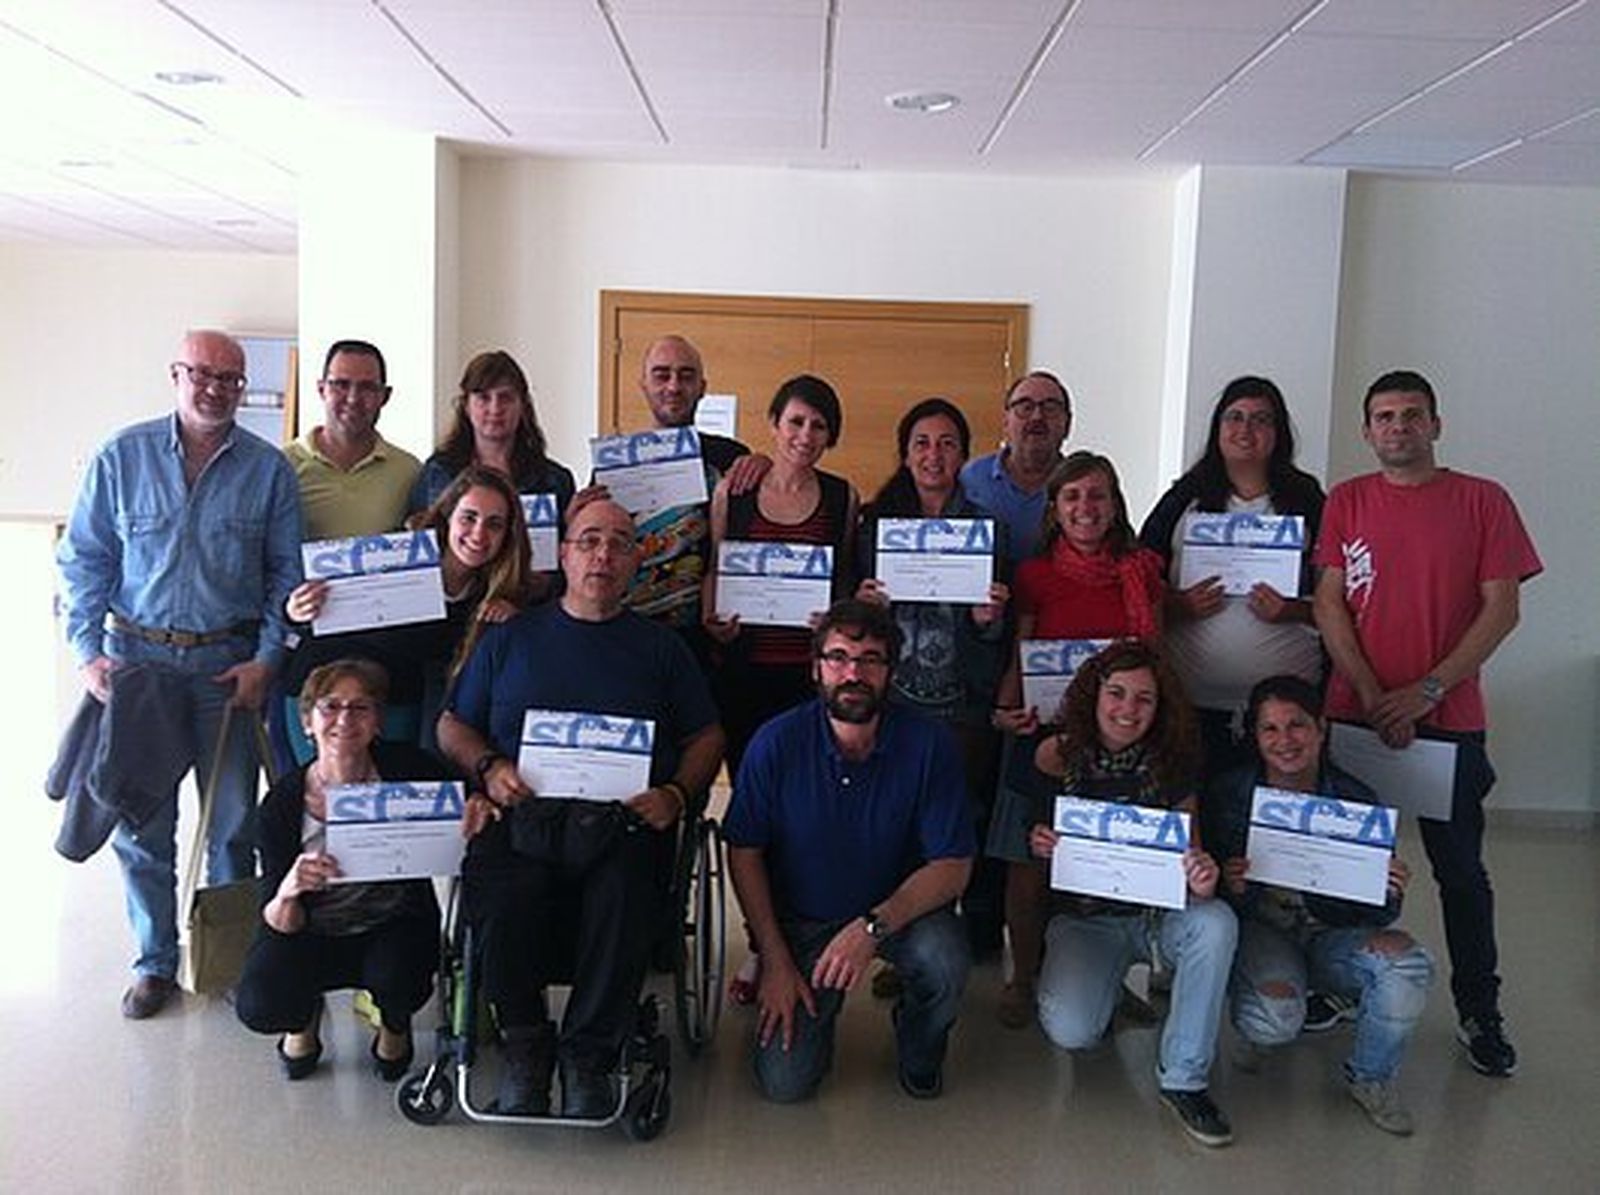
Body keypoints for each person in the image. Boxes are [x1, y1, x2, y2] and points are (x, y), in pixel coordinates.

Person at [438, 498, 725, 1117]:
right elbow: (452, 725)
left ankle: (588, 1054)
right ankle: (525, 1046)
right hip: (524, 816)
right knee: (501, 889)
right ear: (563, 553)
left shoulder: (662, 650)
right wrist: (489, 767)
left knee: (627, 889)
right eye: (590, 541)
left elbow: (707, 738)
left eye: (620, 544)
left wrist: (675, 795)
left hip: (622, 822)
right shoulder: (509, 640)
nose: (603, 554)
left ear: (636, 564)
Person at [56, 329, 302, 1019]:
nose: (216, 388)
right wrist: (85, 652)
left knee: (231, 827)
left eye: (231, 378)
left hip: (228, 674)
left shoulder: (268, 470)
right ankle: (154, 962)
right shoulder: (122, 456)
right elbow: (84, 561)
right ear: (175, 374)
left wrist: (269, 659)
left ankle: (227, 962)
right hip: (140, 672)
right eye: (203, 373)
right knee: (143, 825)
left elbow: (286, 572)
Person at [1313, 369, 1541, 1079]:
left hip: (1449, 721)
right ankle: (1348, 984)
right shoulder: (1347, 501)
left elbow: (1501, 608)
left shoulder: (1483, 500)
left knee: (1461, 874)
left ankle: (1481, 1011)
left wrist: (1428, 689)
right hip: (1356, 714)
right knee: (1349, 868)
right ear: (1367, 430)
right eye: (1384, 416)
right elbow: (1329, 604)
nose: (1398, 427)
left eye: (1412, 415)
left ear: (1435, 425)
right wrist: (1376, 691)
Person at [723, 599, 975, 1102]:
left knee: (945, 958)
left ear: (890, 671)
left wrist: (872, 927)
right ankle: (812, 1011)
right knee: (785, 1085)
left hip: (897, 914)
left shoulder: (929, 745)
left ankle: (919, 1037)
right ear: (815, 668)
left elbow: (954, 866)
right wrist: (774, 958)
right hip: (803, 922)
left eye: (870, 659)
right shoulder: (774, 743)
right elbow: (744, 850)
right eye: (837, 657)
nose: (852, 672)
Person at [235, 659, 495, 1081]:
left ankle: (395, 1023)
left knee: (402, 979)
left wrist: (477, 805)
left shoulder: (409, 769)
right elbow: (276, 918)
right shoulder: (282, 804)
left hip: (391, 922)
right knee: (262, 1004)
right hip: (310, 929)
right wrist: (289, 891)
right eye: (330, 706)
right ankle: (303, 1018)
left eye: (360, 708)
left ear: (378, 722)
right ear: (307, 722)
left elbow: (470, 802)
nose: (344, 719)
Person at [1027, 641, 1237, 1147]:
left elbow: (1192, 858)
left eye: (1145, 699)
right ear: (1092, 694)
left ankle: (1184, 1077)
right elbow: (1026, 854)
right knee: (1074, 1031)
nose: (1128, 709)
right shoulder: (1055, 754)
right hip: (1084, 919)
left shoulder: (1175, 759)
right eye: (1117, 693)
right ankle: (1106, 990)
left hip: (1155, 915)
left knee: (1217, 922)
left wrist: (1202, 880)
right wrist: (1039, 845)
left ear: (1161, 706)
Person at [1204, 675, 1434, 1135]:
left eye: (1297, 725)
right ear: (1254, 734)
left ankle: (1371, 1076)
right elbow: (1205, 898)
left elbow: (1377, 917)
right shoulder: (1227, 793)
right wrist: (1229, 883)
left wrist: (1387, 890)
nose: (1284, 740)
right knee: (1273, 1022)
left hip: (1330, 934)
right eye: (1270, 728)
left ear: (1321, 728)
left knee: (1408, 964)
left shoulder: (1356, 801)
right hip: (1261, 932)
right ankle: (1265, 1011)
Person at [988, 450, 1166, 1027]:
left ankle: (1106, 979)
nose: (1085, 508)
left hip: (1121, 742)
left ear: (1115, 505)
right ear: (1055, 509)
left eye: (1097, 495)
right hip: (1046, 736)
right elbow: (1023, 644)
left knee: (1106, 857)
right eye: (1072, 497)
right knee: (1026, 858)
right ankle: (1025, 975)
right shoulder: (1034, 573)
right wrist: (1007, 707)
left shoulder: (1143, 569)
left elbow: (1155, 657)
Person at [855, 397, 1010, 959]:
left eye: (947, 443)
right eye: (922, 442)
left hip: (962, 706)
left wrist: (987, 619)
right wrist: (863, 602)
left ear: (965, 455)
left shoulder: (986, 529)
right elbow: (849, 622)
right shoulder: (874, 525)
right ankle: (902, 943)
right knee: (897, 824)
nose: (933, 454)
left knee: (958, 821)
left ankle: (958, 942)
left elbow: (999, 634)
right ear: (904, 452)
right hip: (891, 703)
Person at [1139, 376, 1325, 778]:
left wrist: (1294, 610)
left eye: (1261, 420)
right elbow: (1137, 581)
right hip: (1190, 703)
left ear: (1279, 433)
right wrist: (1178, 603)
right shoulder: (1182, 498)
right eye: (1235, 417)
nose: (1246, 430)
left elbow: (1341, 600)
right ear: (1217, 429)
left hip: (1286, 712)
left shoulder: (1307, 499)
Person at [282, 467, 534, 759]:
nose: (479, 533)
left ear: (508, 534)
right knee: (322, 792)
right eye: (469, 518)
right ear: (448, 517)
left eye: (494, 524)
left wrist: (510, 620)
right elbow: (310, 615)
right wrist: (294, 610)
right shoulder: (397, 553)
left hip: (398, 701)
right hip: (325, 692)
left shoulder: (492, 599)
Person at [704, 373, 859, 775]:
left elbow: (842, 580)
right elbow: (715, 567)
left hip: (809, 673)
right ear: (774, 423)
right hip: (743, 668)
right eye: (796, 421)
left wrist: (834, 619)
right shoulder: (732, 491)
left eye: (819, 426)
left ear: (830, 436)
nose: (805, 435)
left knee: (806, 785)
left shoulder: (843, 496)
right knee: (749, 778)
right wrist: (713, 621)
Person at [586, 335, 765, 666]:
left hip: (703, 642)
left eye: (686, 375)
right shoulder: (616, 462)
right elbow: (592, 536)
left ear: (702, 386)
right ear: (643, 383)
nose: (673, 386)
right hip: (625, 634)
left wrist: (766, 464)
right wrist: (575, 515)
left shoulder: (730, 457)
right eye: (661, 374)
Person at [409, 350, 576, 546]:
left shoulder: (554, 479)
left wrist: (574, 521)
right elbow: (417, 544)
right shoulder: (437, 472)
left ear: (522, 406)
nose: (495, 409)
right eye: (483, 398)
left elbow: (568, 551)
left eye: (505, 397)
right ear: (466, 406)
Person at [284, 340, 421, 540]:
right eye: (341, 385)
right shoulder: (282, 466)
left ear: (385, 396)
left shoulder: (409, 472)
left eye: (367, 387)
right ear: (322, 390)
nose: (353, 398)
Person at [959, 370, 1072, 560]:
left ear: (1067, 424)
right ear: (1005, 421)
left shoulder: (1082, 485)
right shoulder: (970, 478)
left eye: (1050, 407)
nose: (1037, 417)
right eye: (1025, 407)